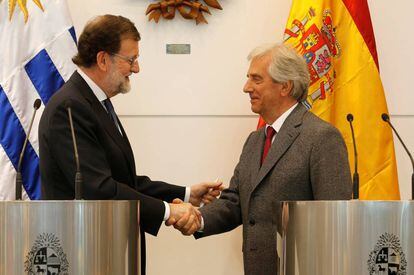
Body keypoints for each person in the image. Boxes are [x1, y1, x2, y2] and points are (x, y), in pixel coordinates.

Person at [38, 14, 221, 275]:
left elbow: (122, 181)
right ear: (103, 60)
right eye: (131, 59)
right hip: (84, 255)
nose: (136, 69)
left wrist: (187, 192)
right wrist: (170, 212)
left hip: (108, 252)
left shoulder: (95, 103)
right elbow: (98, 189)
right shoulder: (69, 108)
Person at [171, 43, 352, 274]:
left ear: (285, 86)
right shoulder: (255, 140)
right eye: (248, 78)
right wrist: (197, 218)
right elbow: (235, 201)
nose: (246, 87)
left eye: (256, 79)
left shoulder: (321, 137)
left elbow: (334, 219)